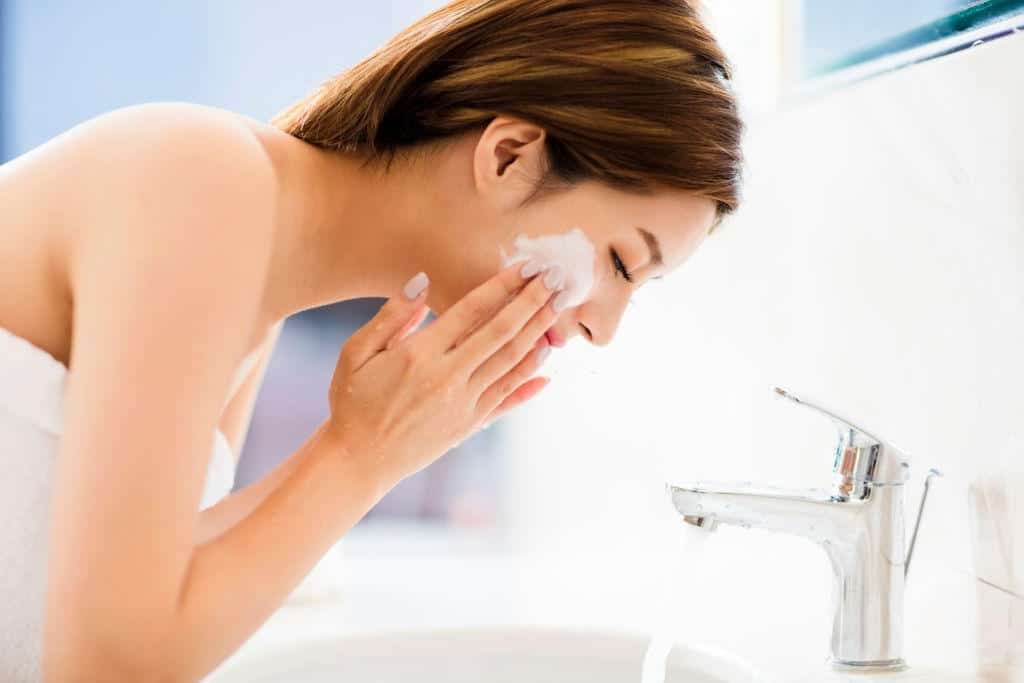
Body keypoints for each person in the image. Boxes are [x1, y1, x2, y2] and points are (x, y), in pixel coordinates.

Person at [0, 0, 743, 680]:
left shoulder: (257, 296)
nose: (602, 329)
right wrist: (361, 453)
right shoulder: (204, 181)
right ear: (509, 156)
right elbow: (101, 663)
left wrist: (375, 445)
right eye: (621, 263)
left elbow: (141, 591)